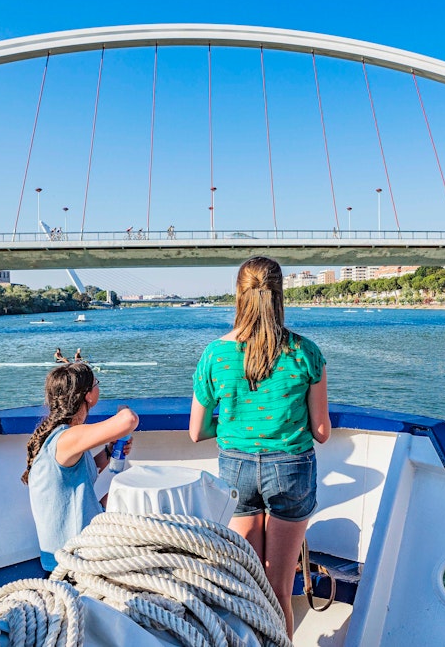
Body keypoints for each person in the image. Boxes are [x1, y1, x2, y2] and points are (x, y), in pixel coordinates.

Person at [188, 256, 331, 638]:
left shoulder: (214, 355)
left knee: (249, 587)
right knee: (279, 587)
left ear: (239, 294)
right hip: (291, 468)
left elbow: (196, 430)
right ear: (280, 295)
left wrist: (231, 422)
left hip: (236, 470)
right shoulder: (306, 352)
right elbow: (321, 431)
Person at [22, 362, 138, 571]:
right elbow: (128, 420)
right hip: (73, 562)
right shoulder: (67, 437)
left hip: (72, 553)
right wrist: (123, 409)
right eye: (96, 383)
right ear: (88, 396)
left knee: (126, 491)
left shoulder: (61, 435)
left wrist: (109, 452)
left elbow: (76, 475)